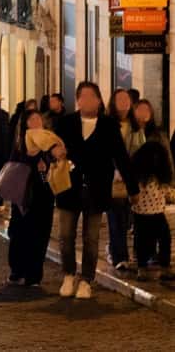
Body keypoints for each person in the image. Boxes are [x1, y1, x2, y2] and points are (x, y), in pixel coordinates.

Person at [55, 81, 139, 299]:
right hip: (68, 189)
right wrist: (53, 157)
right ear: (78, 100)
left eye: (92, 96)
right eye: (83, 96)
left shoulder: (109, 125)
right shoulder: (65, 123)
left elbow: (121, 157)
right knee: (65, 235)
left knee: (91, 238)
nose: (88, 101)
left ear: (100, 100)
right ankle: (68, 273)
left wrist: (133, 188)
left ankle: (86, 279)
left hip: (97, 189)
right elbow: (49, 152)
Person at [7, 110, 64, 287]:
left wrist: (45, 169)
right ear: (25, 124)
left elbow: (48, 174)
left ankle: (34, 274)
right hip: (23, 195)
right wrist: (32, 162)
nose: (36, 121)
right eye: (32, 119)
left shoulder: (49, 142)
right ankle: (17, 270)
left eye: (38, 118)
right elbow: (14, 167)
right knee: (19, 234)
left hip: (43, 196)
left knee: (40, 235)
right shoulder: (20, 143)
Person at [106, 88, 145, 271]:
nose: (124, 103)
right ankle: (120, 256)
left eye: (126, 99)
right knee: (116, 217)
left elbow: (141, 150)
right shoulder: (107, 124)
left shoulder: (135, 126)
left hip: (132, 177)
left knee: (129, 218)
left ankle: (116, 250)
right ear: (113, 103)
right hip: (112, 178)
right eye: (120, 99)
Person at [130, 141, 175, 282]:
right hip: (142, 215)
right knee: (145, 241)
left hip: (154, 214)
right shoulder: (142, 178)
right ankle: (144, 268)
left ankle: (161, 267)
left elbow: (168, 192)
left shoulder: (150, 177)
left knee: (163, 239)